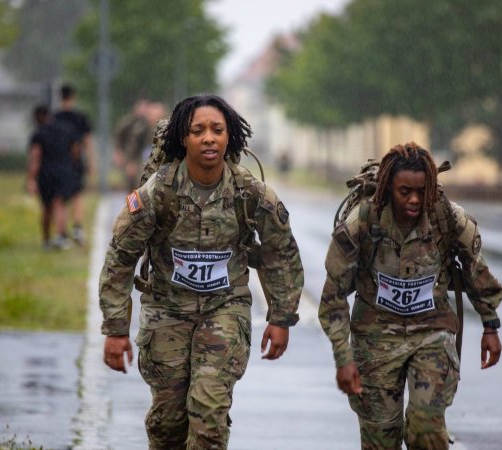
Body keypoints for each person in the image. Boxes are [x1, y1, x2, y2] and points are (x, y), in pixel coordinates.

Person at [99, 94, 304, 449]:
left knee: (209, 415)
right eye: (198, 130)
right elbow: (120, 257)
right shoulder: (158, 192)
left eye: (217, 130)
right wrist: (116, 329)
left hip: (225, 310)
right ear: (183, 137)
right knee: (168, 424)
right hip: (166, 313)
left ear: (229, 137)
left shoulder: (249, 192)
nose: (208, 138)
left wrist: (281, 317)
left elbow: (281, 253)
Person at [319, 142, 502, 449]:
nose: (415, 199)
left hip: (432, 335)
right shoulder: (362, 222)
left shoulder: (447, 217)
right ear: (389, 188)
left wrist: (490, 325)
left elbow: (476, 271)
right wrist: (343, 358)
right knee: (380, 438)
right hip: (374, 340)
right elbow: (332, 297)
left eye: (422, 191)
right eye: (405, 191)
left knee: (425, 428)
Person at [27, 104, 80, 250]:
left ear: (38, 117)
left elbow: (35, 157)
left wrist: (31, 179)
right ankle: (60, 236)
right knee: (60, 204)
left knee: (46, 207)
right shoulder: (65, 129)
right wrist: (71, 164)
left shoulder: (39, 133)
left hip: (46, 173)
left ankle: (46, 240)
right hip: (64, 170)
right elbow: (75, 149)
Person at [54, 83, 93, 245]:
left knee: (60, 198)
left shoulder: (54, 117)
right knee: (77, 194)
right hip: (75, 162)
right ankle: (77, 227)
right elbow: (87, 142)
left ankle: (61, 233)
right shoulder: (80, 117)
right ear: (73, 96)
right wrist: (91, 162)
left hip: (58, 161)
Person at [113, 99, 167, 192]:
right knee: (135, 192)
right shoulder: (140, 130)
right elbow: (133, 146)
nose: (154, 117)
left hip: (161, 168)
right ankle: (132, 206)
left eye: (157, 115)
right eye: (152, 115)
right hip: (142, 166)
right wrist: (131, 162)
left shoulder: (168, 130)